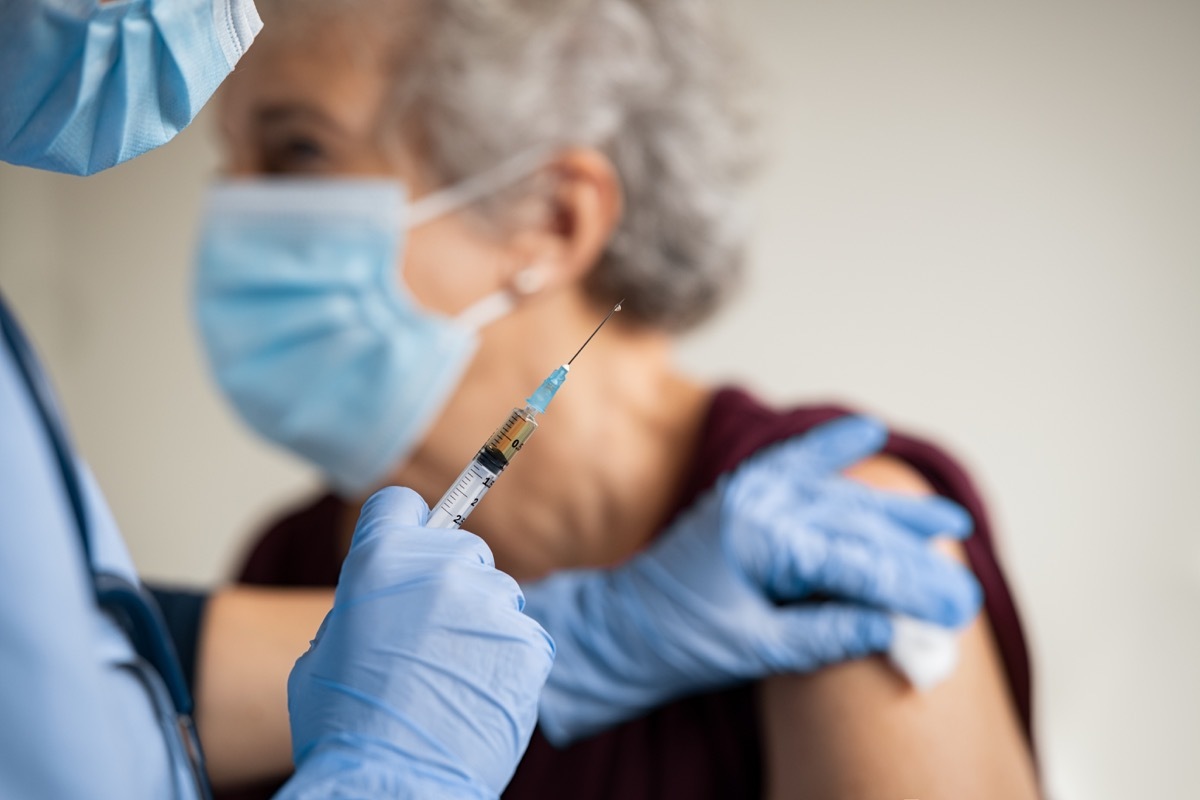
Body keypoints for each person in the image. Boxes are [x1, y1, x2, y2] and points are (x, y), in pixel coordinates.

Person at [0, 2, 991, 799]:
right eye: (234, 161)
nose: (233, 206)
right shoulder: (303, 560)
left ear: (554, 220)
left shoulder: (828, 531)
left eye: (297, 150)